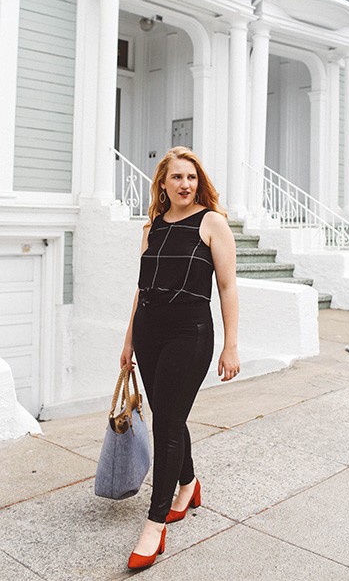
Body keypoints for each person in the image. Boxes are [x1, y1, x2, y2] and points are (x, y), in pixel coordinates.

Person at [119, 147, 240, 569]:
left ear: (198, 180)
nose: (185, 184)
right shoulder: (151, 226)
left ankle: (154, 525)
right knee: (168, 416)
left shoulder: (212, 223)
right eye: (177, 178)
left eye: (191, 177)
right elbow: (142, 287)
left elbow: (227, 288)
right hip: (150, 331)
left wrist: (231, 345)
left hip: (190, 334)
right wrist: (129, 339)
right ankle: (188, 484)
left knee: (168, 422)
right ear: (163, 184)